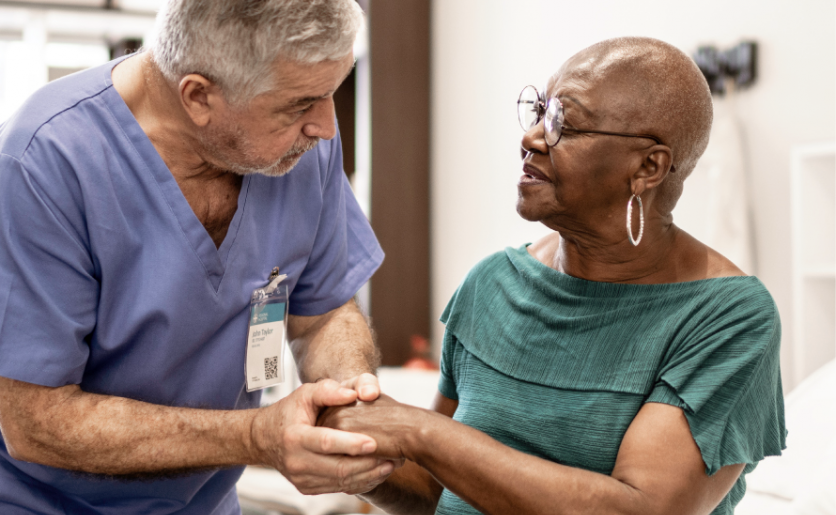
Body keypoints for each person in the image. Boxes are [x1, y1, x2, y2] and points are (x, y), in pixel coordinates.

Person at [0, 0, 395, 513]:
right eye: (300, 104)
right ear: (198, 96)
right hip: (31, 498)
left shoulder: (297, 147)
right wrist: (255, 436)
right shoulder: (45, 161)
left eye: (332, 92)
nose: (325, 127)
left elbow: (322, 313)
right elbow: (37, 420)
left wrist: (347, 401)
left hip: (196, 498)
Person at [320, 37, 786, 514]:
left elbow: (642, 509)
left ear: (648, 167)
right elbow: (441, 488)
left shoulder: (729, 319)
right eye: (541, 111)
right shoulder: (492, 283)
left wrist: (418, 431)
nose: (533, 137)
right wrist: (358, 456)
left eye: (565, 122)